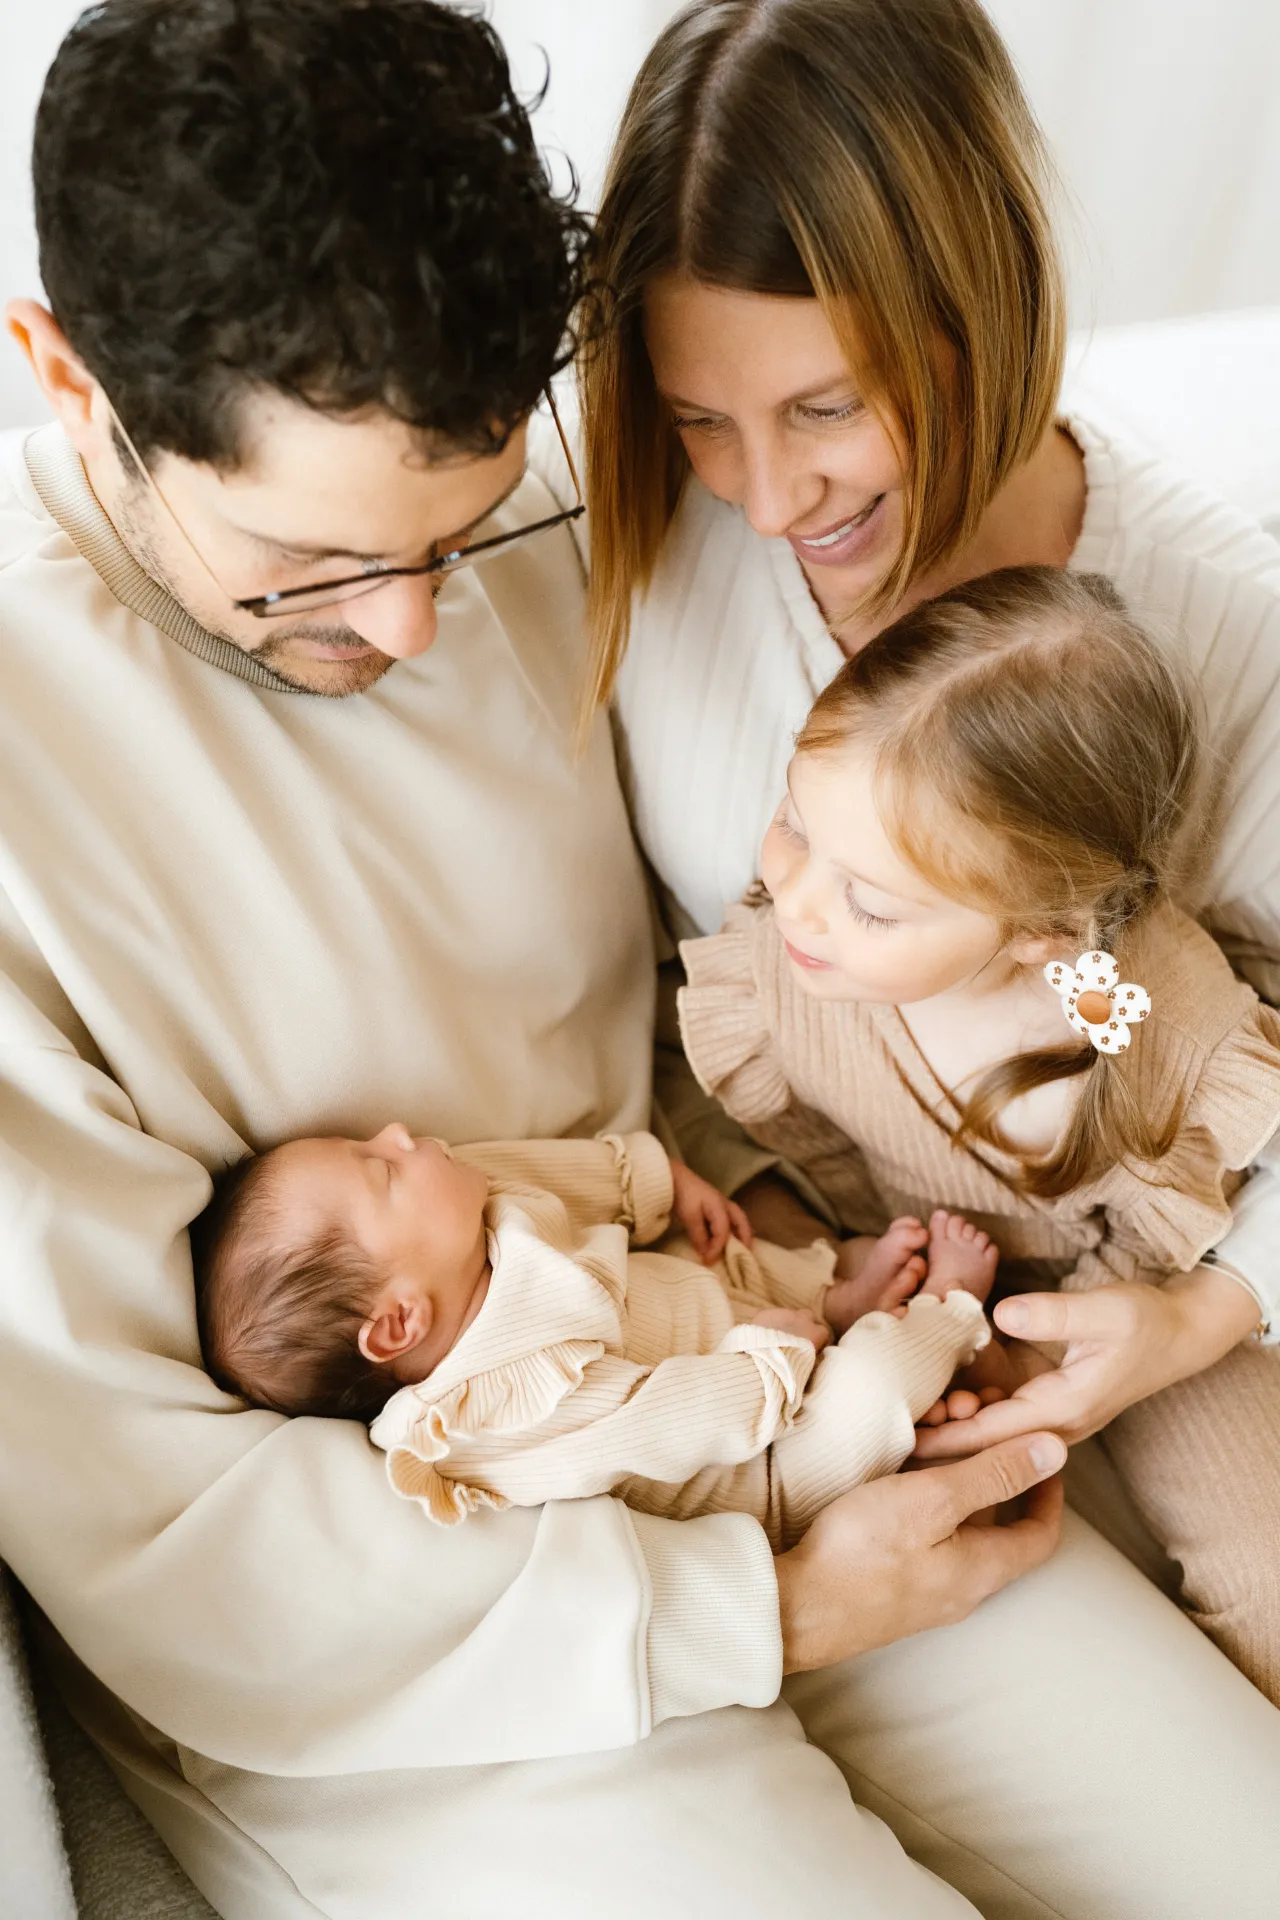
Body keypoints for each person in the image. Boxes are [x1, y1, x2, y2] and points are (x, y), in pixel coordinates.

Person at [0, 2, 1276, 1916]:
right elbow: (169, 1533)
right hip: (442, 1618)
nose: (415, 631)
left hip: (783, 1375)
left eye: (456, 534)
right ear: (64, 378)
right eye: (320, 568)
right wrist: (762, 1604)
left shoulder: (581, 498)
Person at [680, 563, 1280, 1694]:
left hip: (1132, 1304)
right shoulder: (781, 967)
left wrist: (1041, 1353)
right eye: (792, 825)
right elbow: (745, 1129)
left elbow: (1170, 1223)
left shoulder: (1158, 1029)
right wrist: (843, 1266)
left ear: (1040, 931)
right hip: (892, 1276)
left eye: (871, 902)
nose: (795, 902)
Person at [191, 1124, 993, 1544]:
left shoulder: (472, 1227)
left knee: (713, 1260)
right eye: (383, 1169)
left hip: (711, 1315)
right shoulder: (493, 1419)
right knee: (872, 1388)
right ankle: (948, 1310)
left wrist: (658, 1181)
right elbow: (665, 1421)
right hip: (767, 1458)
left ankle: (840, 1304)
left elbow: (550, 1173)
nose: (396, 1133)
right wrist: (776, 1361)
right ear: (402, 1320)